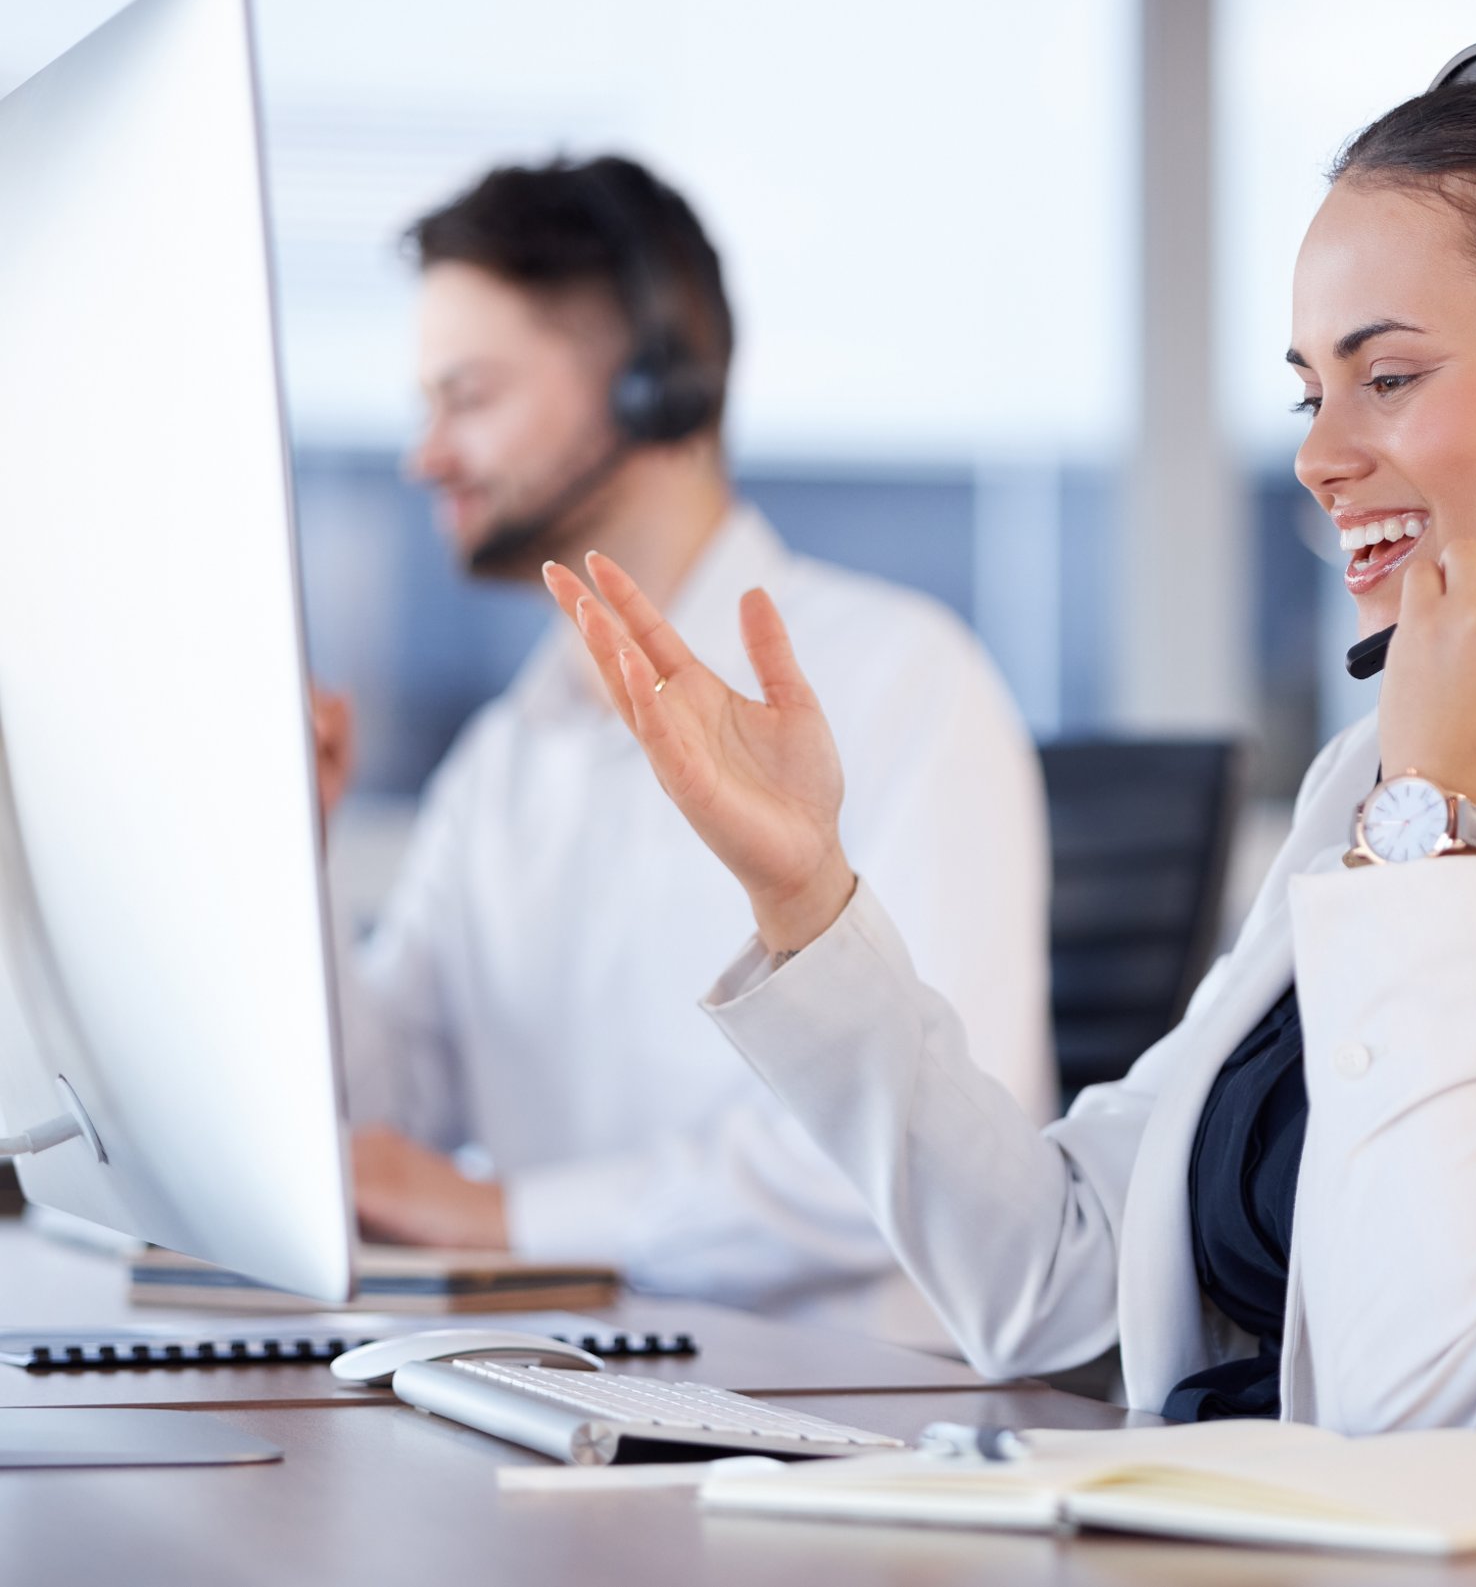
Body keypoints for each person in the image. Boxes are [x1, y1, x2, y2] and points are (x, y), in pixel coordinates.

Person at [542, 41, 1476, 1570]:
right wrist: (809, 902)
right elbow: (1052, 1280)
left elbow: (1426, 1384)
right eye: (1310, 391)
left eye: (1389, 377)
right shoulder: (1379, 773)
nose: (1324, 460)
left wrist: (1441, 815)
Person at [331, 155, 1055, 1350]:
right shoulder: (508, 755)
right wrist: (287, 858)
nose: (427, 454)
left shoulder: (901, 679)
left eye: (468, 397)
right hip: (566, 1384)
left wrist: (506, 1214)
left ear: (650, 384)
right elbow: (383, 1121)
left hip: (855, 1411)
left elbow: (916, 1154)